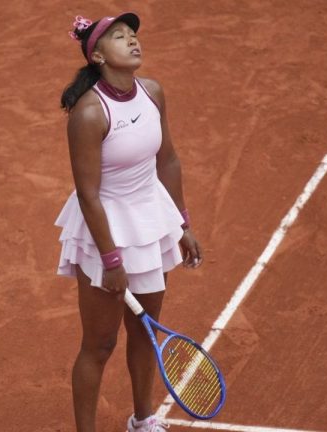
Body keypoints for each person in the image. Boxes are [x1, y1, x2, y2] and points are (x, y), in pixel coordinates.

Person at [55, 12, 203, 432]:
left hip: (150, 222)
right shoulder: (88, 114)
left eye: (133, 34)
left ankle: (143, 420)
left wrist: (183, 224)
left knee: (144, 333)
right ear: (98, 55)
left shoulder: (152, 92)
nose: (133, 41)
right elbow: (87, 195)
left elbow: (168, 160)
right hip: (106, 229)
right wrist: (111, 260)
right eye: (120, 37)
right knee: (99, 344)